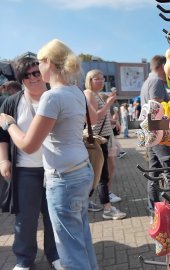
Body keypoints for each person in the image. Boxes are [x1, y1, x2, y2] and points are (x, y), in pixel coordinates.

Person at [0, 39, 98, 270]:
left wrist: (10, 125)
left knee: (70, 249)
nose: (35, 73)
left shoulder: (52, 96)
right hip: (80, 169)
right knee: (81, 237)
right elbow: (90, 120)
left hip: (64, 177)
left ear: (49, 63)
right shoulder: (74, 91)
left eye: (39, 65)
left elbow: (29, 145)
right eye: (28, 73)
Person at [0, 57, 62, 270]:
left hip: (55, 169)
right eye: (26, 76)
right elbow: (2, 135)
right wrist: (4, 159)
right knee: (25, 218)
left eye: (36, 72)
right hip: (25, 170)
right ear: (20, 79)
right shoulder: (12, 102)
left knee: (54, 216)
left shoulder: (55, 97)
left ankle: (55, 255)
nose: (33, 78)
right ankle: (24, 259)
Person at [140, 55, 170, 215]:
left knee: (154, 172)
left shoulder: (147, 82)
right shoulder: (156, 82)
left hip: (150, 131)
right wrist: (166, 135)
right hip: (157, 131)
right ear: (162, 65)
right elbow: (156, 110)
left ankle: (154, 210)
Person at [84, 69, 127, 219]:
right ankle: (107, 209)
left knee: (99, 173)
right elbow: (94, 118)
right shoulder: (89, 94)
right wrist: (108, 104)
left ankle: (88, 201)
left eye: (102, 78)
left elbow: (100, 118)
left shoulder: (95, 95)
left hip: (103, 138)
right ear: (90, 80)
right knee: (102, 174)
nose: (101, 81)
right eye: (97, 79)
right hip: (97, 138)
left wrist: (112, 122)